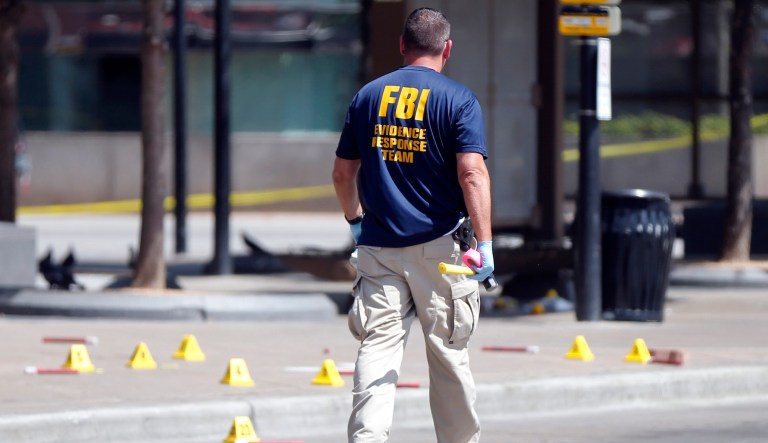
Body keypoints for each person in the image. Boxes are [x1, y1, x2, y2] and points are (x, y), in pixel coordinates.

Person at [332, 7, 493, 443]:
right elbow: (472, 174)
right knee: (446, 353)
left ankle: (367, 438)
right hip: (442, 252)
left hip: (380, 249)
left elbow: (343, 174)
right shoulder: (459, 99)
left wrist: (356, 224)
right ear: (448, 49)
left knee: (377, 347)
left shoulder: (367, 96)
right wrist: (486, 244)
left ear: (403, 46)